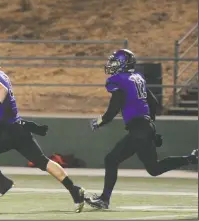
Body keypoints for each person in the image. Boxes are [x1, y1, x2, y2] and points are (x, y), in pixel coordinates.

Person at [0, 48, 86, 213]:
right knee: (43, 162)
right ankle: (74, 190)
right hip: (18, 128)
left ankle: (3, 181)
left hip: (6, 131)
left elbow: (1, 91)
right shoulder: (0, 74)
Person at [85, 49, 198, 210]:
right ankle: (190, 159)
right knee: (154, 168)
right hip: (144, 128)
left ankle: (104, 199)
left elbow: (112, 111)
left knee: (111, 159)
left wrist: (99, 121)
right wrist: (151, 128)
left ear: (124, 63)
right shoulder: (137, 78)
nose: (112, 65)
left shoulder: (119, 80)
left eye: (115, 62)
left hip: (140, 129)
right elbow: (153, 103)